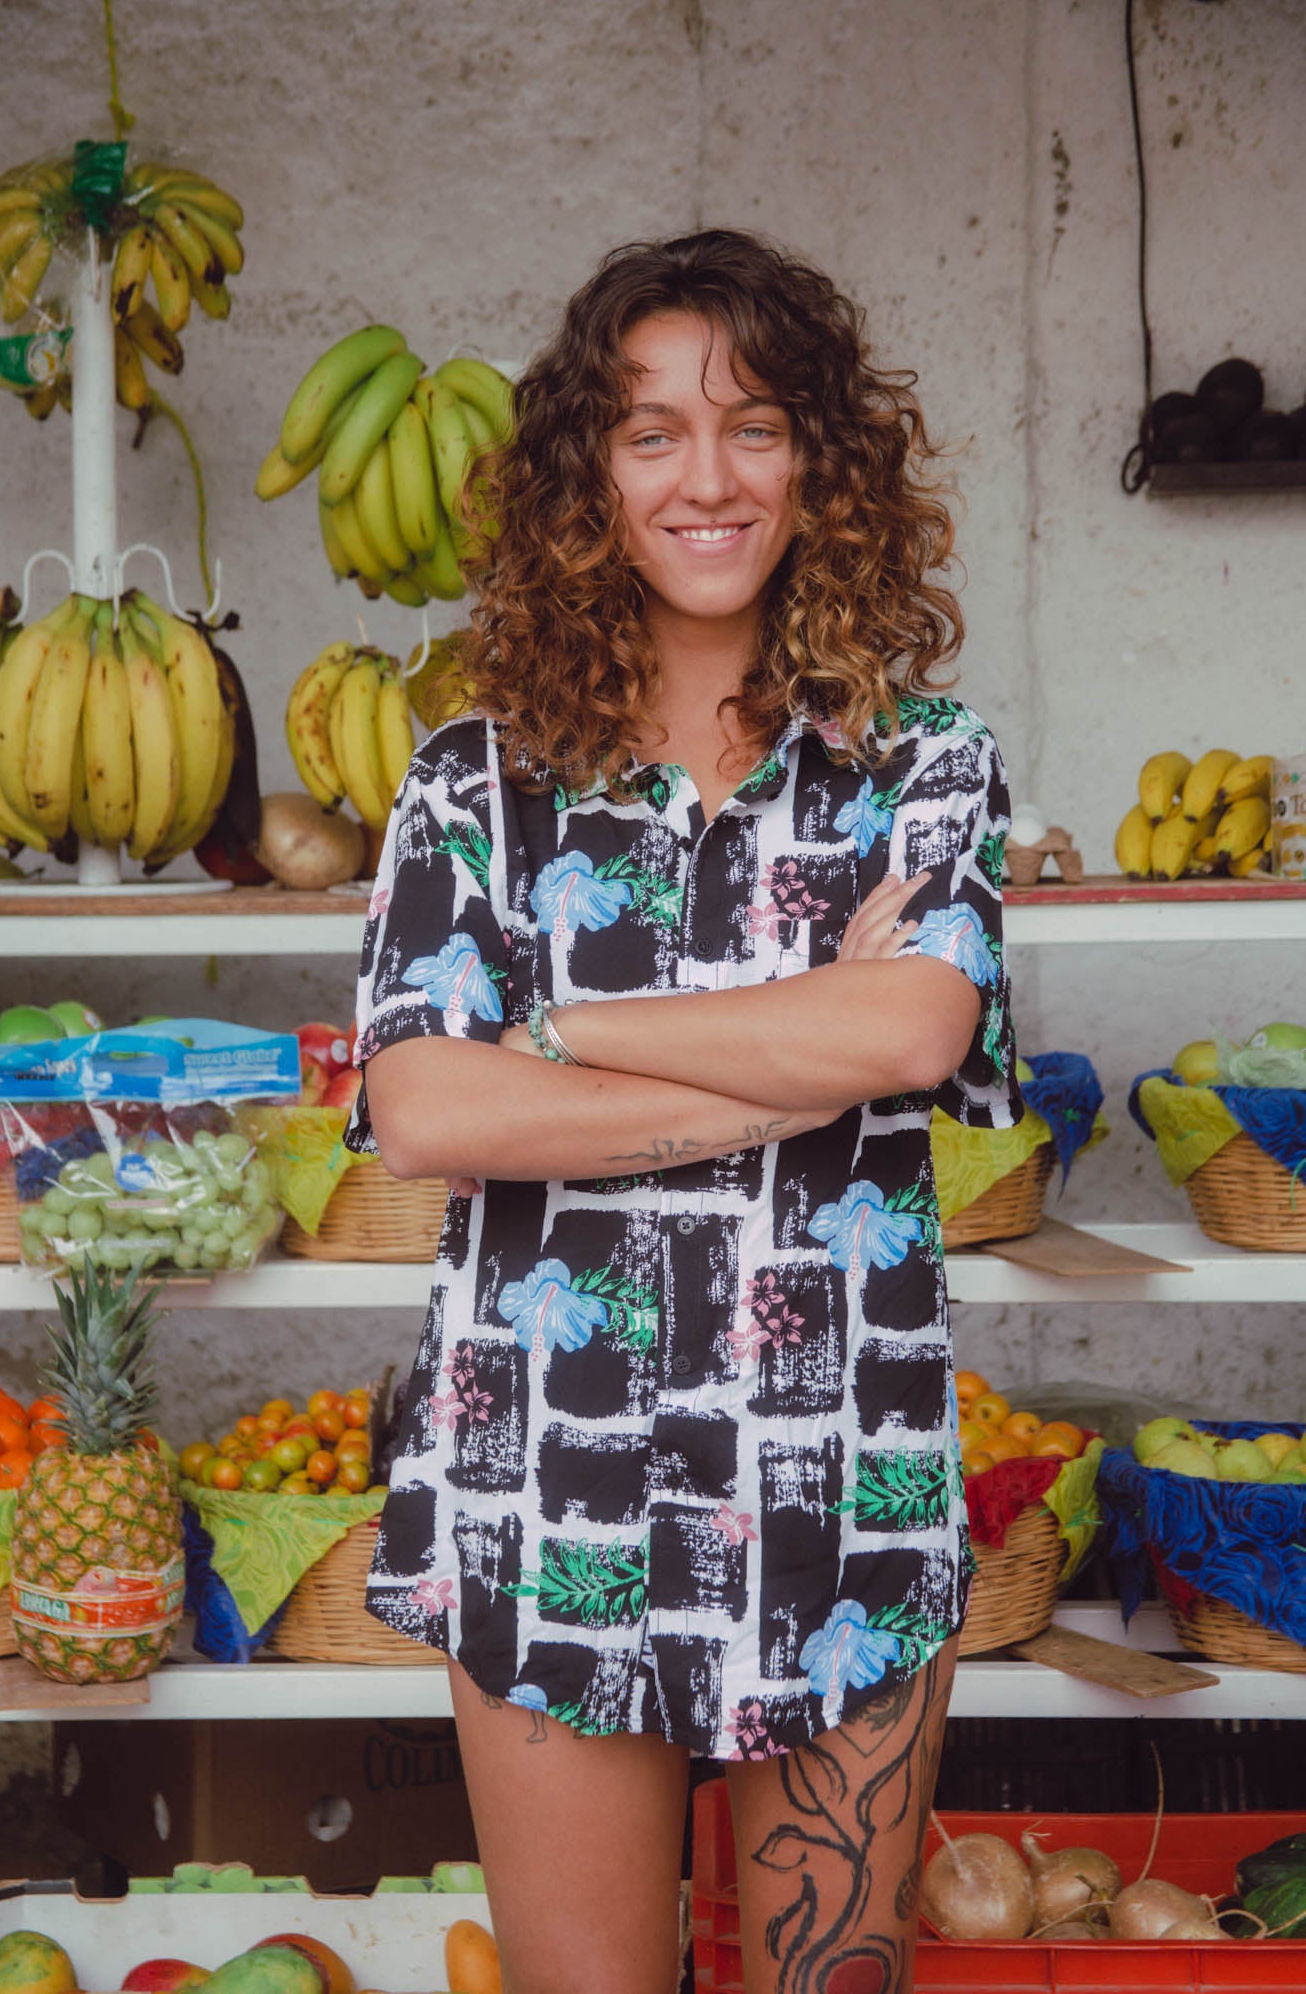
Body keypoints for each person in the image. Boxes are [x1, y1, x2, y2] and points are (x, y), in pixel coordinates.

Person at [345, 229, 1021, 1994]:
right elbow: (421, 1105)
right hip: (544, 1492)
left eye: (756, 426)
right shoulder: (471, 779)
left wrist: (565, 1031)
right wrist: (791, 1049)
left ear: (825, 463)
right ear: (588, 472)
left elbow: (914, 1023)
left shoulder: (920, 760)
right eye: (651, 434)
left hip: (844, 1475)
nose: (706, 481)